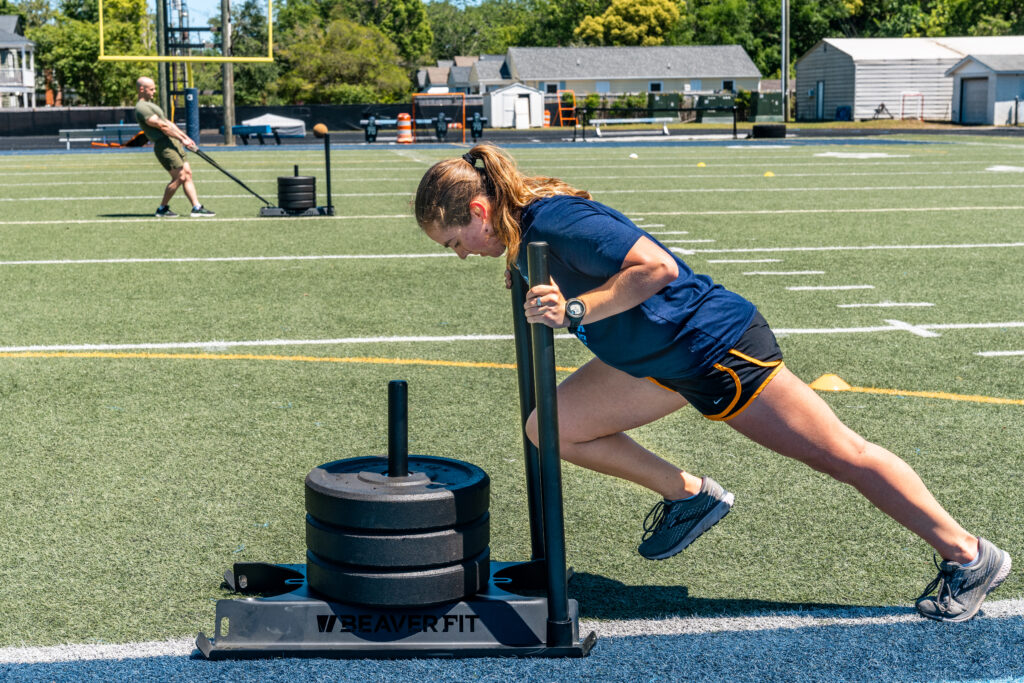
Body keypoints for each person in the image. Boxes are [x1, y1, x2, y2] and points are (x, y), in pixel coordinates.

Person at [413, 143, 1011, 623]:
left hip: (715, 349)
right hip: (657, 362)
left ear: (478, 212)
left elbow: (656, 268)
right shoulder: (520, 232)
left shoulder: (555, 217)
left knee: (842, 455)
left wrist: (573, 311)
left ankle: (969, 554)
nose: (460, 255)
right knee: (553, 427)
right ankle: (690, 495)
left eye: (453, 242)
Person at [134, 76, 215, 218]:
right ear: (142, 89)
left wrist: (185, 138)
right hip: (164, 145)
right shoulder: (141, 108)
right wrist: (181, 139)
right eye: (151, 89)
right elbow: (162, 126)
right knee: (181, 176)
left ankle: (196, 207)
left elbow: (169, 124)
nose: (154, 92)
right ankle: (162, 209)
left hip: (173, 142)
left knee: (188, 174)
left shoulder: (150, 105)